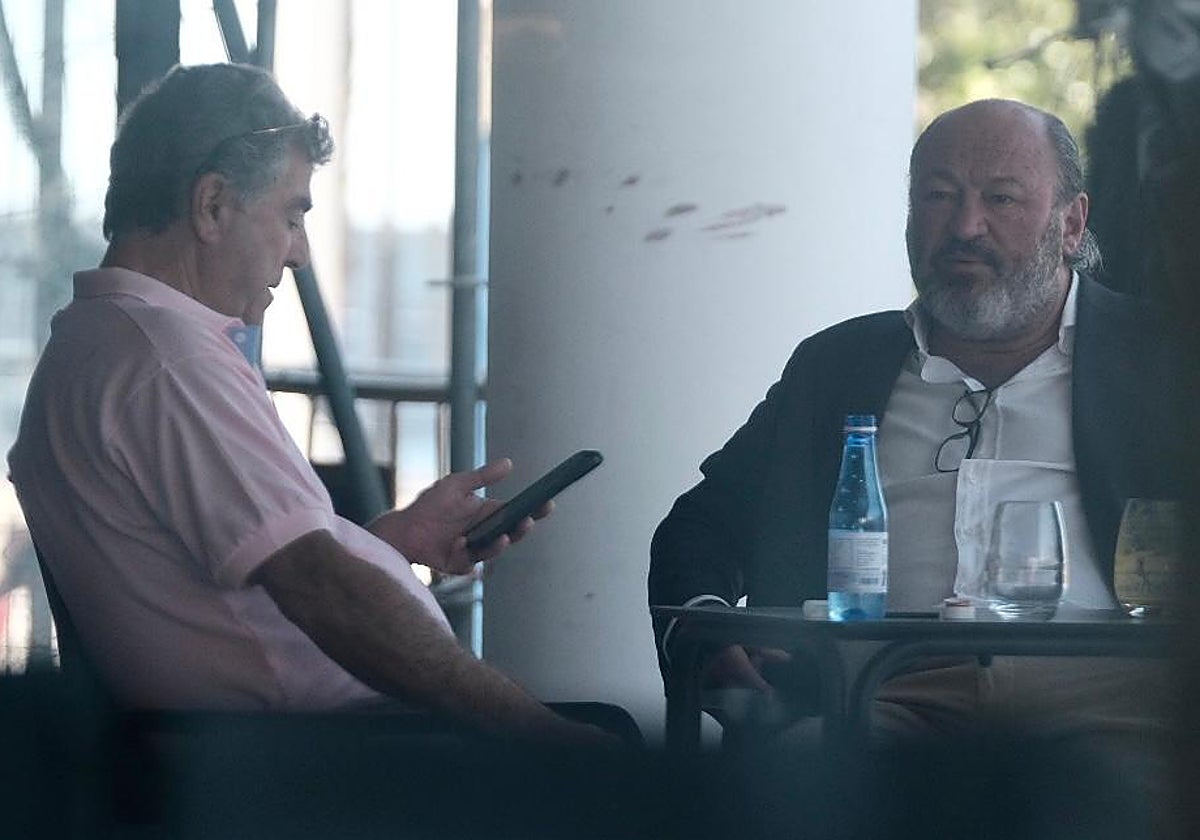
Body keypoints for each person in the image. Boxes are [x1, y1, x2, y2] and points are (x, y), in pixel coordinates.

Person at [7, 62, 605, 747]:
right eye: (292, 215)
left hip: (252, 758)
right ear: (211, 206)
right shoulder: (171, 363)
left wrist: (390, 543)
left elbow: (216, 589)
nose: (300, 253)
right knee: (612, 749)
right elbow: (322, 590)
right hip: (320, 760)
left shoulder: (94, 341)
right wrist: (543, 738)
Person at [649, 99, 1188, 743]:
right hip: (879, 695)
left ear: (1071, 223)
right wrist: (709, 636)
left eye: (1002, 199)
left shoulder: (1167, 363)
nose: (965, 226)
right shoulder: (840, 366)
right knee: (802, 779)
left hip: (1111, 699)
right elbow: (701, 527)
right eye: (938, 195)